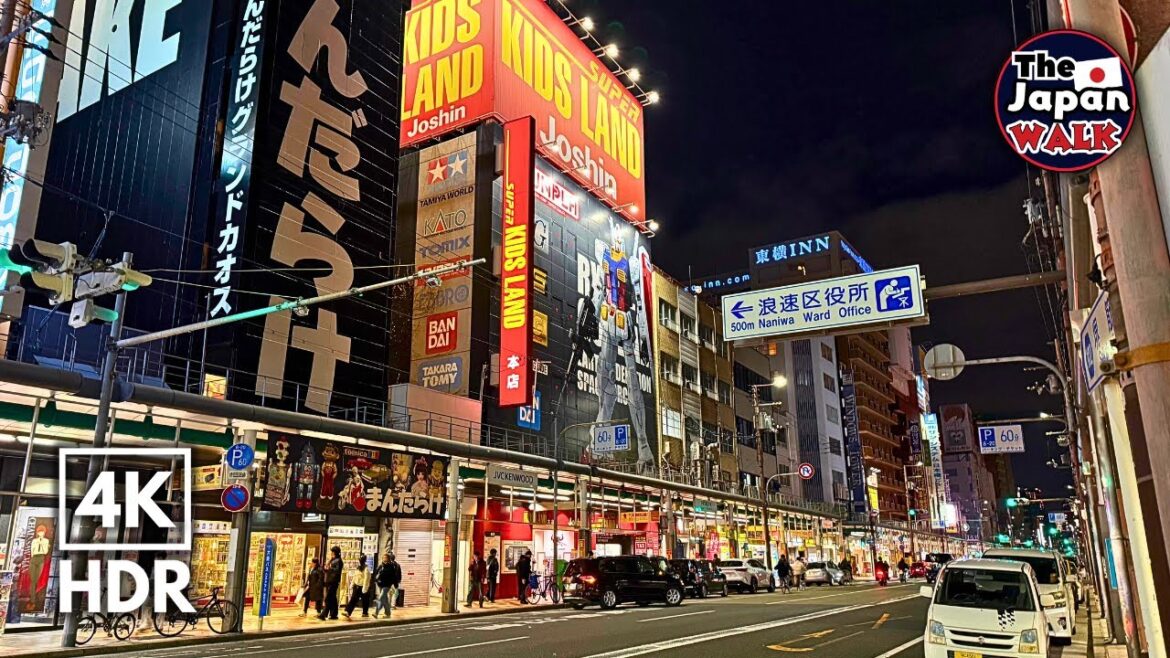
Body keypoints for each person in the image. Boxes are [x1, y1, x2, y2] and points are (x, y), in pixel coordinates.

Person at [374, 553, 401, 618]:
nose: (384, 559)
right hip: (380, 584)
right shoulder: (381, 566)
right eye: (383, 558)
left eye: (386, 558)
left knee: (381, 598)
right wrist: (376, 580)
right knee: (385, 600)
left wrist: (396, 585)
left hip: (387, 585)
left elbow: (394, 577)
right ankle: (388, 613)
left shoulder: (391, 567)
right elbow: (376, 573)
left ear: (388, 559)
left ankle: (376, 612)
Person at [319, 546, 343, 620]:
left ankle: (323, 614)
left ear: (335, 552)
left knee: (328, 598)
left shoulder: (339, 560)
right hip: (330, 580)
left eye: (332, 552)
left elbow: (337, 571)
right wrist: (326, 569)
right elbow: (329, 570)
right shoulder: (333, 560)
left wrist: (330, 568)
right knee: (333, 598)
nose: (331, 553)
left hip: (334, 581)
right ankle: (334, 614)